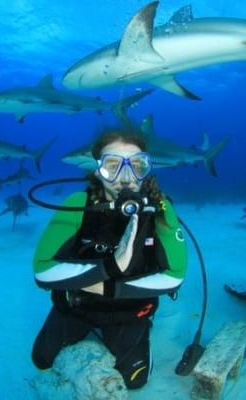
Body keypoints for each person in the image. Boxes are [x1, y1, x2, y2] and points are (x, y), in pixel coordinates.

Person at [31, 129, 188, 389]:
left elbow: (175, 277)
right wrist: (112, 266)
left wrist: (109, 287)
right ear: (98, 170)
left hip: (130, 312)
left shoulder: (160, 209)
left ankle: (139, 334)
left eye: (137, 166)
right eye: (112, 166)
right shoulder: (78, 204)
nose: (125, 179)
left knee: (134, 382)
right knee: (41, 360)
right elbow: (42, 271)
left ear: (146, 169)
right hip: (76, 307)